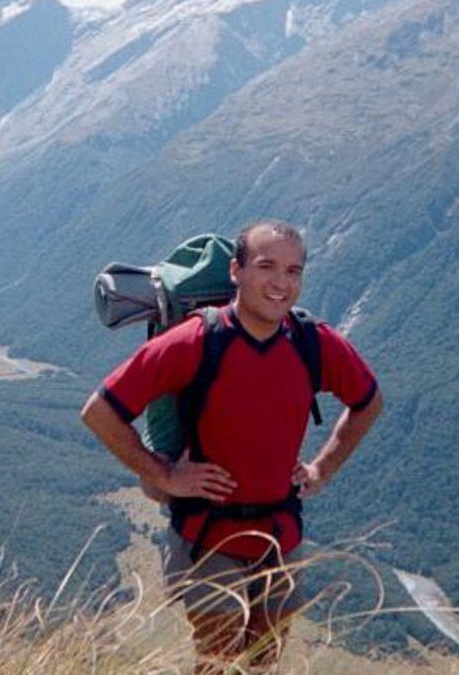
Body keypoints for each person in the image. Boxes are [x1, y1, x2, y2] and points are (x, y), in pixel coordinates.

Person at [82, 220, 383, 672]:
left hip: (281, 536)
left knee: (265, 659)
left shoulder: (311, 344)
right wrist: (164, 475)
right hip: (208, 536)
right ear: (236, 271)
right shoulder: (195, 342)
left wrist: (322, 469)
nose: (280, 283)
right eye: (266, 267)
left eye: (293, 271)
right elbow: (99, 412)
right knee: (218, 660)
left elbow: (369, 402)